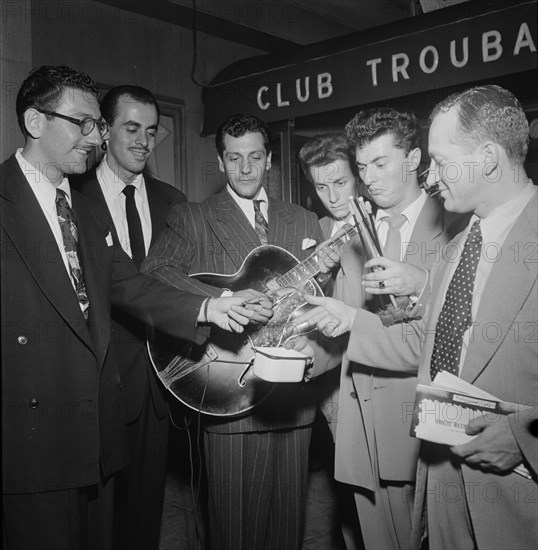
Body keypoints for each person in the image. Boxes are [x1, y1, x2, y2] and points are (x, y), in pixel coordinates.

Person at [1, 66, 271, 550]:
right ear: (35, 122)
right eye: (81, 123)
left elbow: (129, 284)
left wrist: (208, 307)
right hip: (29, 437)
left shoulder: (81, 208)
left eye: (95, 124)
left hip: (98, 432)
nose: (94, 136)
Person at [293, 85, 538, 550]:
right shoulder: (461, 246)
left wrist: (527, 435)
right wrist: (349, 320)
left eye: (441, 162)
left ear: (487, 158)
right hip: (441, 479)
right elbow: (427, 341)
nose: (431, 176)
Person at [142, 113, 336, 550]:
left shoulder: (304, 220)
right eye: (234, 158)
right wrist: (219, 303)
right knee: (235, 531)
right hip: (228, 385)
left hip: (292, 396)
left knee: (287, 525)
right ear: (219, 161)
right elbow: (154, 274)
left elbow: (323, 301)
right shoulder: (192, 217)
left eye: (254, 157)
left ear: (269, 160)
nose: (245, 168)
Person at [300, 112, 454, 550]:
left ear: (414, 159)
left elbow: (451, 333)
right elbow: (344, 322)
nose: (370, 178)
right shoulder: (351, 231)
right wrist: (305, 355)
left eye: (381, 164)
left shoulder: (456, 223)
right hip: (358, 420)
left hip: (418, 421)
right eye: (363, 167)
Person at [71, 85, 186, 550]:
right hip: (94, 384)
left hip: (156, 385)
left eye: (151, 131)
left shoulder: (174, 202)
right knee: (92, 522)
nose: (143, 140)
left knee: (144, 519)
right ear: (104, 130)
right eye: (131, 128)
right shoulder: (71, 197)